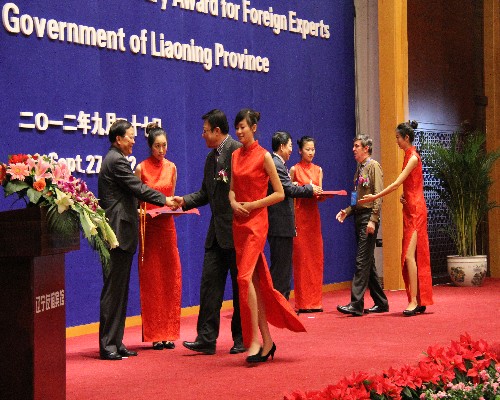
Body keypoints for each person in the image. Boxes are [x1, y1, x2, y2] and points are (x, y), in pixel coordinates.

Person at [229, 109, 306, 363]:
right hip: (238, 223)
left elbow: (280, 193)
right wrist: (233, 202)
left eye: (243, 127)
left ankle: (253, 340)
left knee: (243, 279)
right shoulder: (234, 155)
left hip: (256, 223)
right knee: (254, 282)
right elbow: (231, 190)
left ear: (254, 128)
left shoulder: (264, 156)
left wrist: (253, 205)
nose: (239, 131)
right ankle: (267, 340)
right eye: (237, 127)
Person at [98, 119, 176, 360]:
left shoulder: (116, 158)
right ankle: (108, 345)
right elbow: (138, 188)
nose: (134, 141)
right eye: (130, 137)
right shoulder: (116, 160)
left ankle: (116, 341)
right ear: (118, 139)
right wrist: (164, 199)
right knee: (113, 291)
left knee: (120, 291)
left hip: (122, 233)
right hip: (117, 232)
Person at [173, 109, 244, 355]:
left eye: (205, 131)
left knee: (240, 288)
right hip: (216, 233)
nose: (202, 135)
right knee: (209, 285)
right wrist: (184, 201)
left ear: (217, 130)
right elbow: (205, 193)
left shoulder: (238, 152)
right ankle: (206, 338)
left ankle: (242, 338)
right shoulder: (210, 158)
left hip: (237, 231)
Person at [359, 121, 433, 316]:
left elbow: (396, 183)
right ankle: (418, 299)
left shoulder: (413, 157)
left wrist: (375, 196)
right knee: (411, 255)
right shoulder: (408, 156)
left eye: (398, 138)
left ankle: (414, 300)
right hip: (410, 208)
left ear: (406, 138)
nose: (397, 141)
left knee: (409, 255)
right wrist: (405, 196)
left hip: (416, 211)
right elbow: (410, 186)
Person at [134, 122, 181, 350]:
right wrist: (142, 212)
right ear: (150, 146)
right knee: (152, 281)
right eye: (157, 146)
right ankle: (155, 334)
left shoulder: (172, 168)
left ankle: (169, 332)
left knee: (170, 278)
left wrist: (175, 206)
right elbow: (136, 202)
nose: (161, 150)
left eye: (164, 145)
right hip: (149, 229)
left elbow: (171, 198)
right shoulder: (141, 168)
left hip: (167, 228)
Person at [335, 134, 389, 317]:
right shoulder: (359, 168)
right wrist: (347, 211)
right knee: (367, 261)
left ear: (366, 148)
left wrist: (373, 219)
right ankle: (381, 302)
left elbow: (378, 195)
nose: (353, 149)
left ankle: (356, 304)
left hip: (368, 218)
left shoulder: (374, 166)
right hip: (358, 216)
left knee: (361, 260)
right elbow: (356, 198)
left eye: (357, 146)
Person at [267, 131, 322, 301]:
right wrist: (309, 189)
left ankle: (280, 304)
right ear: (282, 146)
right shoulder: (278, 164)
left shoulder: (278, 163)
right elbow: (288, 189)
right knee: (281, 270)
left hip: (284, 224)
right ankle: (280, 305)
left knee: (282, 268)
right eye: (290, 146)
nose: (291, 149)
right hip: (281, 224)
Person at [289, 136, 325, 313]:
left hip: (313, 218)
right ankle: (302, 302)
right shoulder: (294, 169)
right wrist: (299, 187)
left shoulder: (318, 170)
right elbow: (288, 192)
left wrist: (321, 194)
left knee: (315, 259)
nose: (311, 152)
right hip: (299, 217)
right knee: (301, 260)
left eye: (313, 149)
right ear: (300, 150)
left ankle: (316, 302)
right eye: (307, 149)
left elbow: (320, 194)